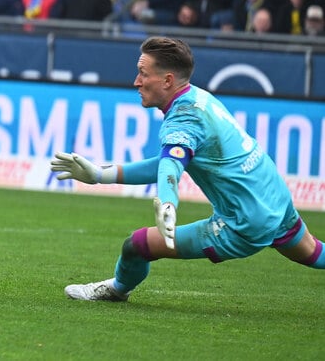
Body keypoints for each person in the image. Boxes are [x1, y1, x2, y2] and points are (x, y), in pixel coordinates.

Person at [51, 36, 325, 302]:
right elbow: (166, 162)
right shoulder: (198, 97)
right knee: (314, 253)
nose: (136, 81)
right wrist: (101, 175)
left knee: (136, 246)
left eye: (143, 73)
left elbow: (172, 163)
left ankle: (116, 290)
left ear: (167, 80)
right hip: (273, 194)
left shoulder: (183, 118)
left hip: (244, 222)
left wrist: (168, 203)